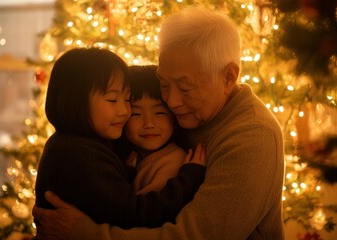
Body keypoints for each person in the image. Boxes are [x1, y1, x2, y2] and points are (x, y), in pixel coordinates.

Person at [33, 6, 285, 240]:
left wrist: (86, 234)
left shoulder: (252, 137)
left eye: (185, 88)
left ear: (228, 77)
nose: (171, 102)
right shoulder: (183, 114)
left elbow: (192, 236)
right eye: (164, 85)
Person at [34, 47, 206, 231]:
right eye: (112, 100)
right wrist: (189, 179)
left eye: (126, 99)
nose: (125, 111)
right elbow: (136, 215)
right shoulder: (76, 155)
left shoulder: (82, 144)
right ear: (75, 102)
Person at [123, 65, 189, 195]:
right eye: (136, 114)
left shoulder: (174, 161)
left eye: (159, 113)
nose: (149, 124)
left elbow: (144, 210)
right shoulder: (129, 155)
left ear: (174, 118)